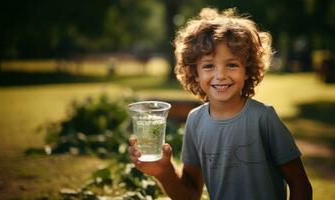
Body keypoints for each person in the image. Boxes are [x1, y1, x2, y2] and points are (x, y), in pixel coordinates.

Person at [129, 7, 312, 200]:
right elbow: (190, 194)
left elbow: (300, 185)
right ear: (195, 73)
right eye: (209, 66)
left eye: (232, 64)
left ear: (247, 69)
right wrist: (164, 172)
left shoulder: (263, 118)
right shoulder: (195, 121)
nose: (221, 75)